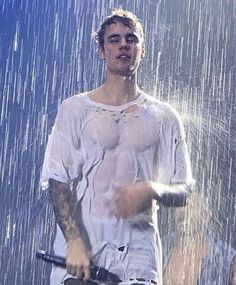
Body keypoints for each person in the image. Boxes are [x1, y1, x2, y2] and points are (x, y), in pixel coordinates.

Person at [41, 8, 194, 285]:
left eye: (131, 39)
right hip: (82, 256)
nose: (124, 44)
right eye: (114, 39)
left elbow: (184, 189)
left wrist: (152, 188)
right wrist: (74, 240)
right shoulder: (75, 109)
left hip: (139, 257)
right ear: (101, 50)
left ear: (142, 49)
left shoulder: (164, 116)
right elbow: (58, 180)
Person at [163, 192, 236, 285]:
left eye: (191, 206)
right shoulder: (161, 247)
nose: (182, 211)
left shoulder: (225, 258)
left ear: (206, 216)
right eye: (179, 204)